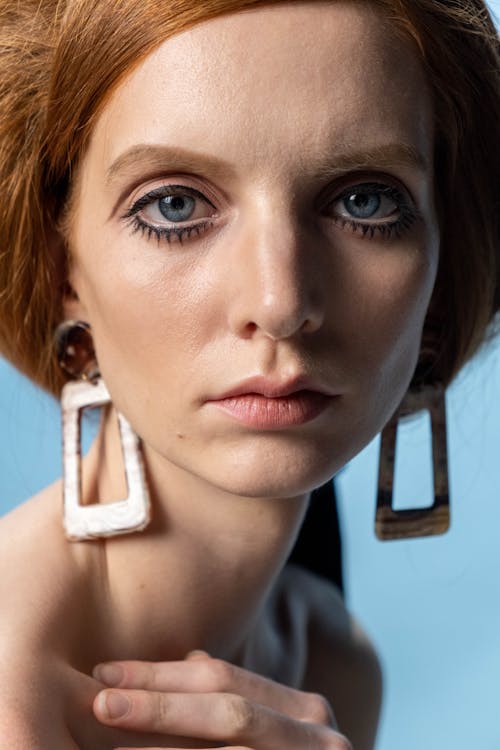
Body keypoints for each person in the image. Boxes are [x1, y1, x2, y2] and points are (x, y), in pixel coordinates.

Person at [0, 0, 498, 748]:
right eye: (174, 205)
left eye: (364, 201)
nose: (281, 302)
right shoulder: (14, 697)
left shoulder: (335, 663)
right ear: (61, 263)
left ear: (444, 268)